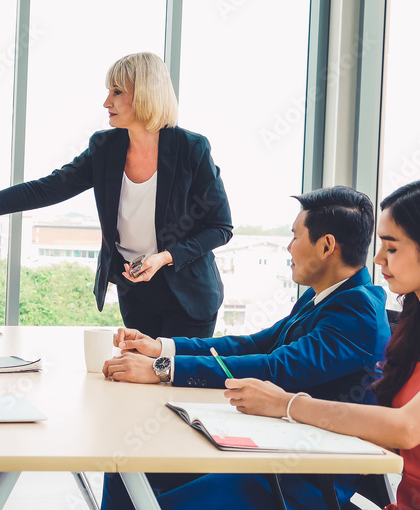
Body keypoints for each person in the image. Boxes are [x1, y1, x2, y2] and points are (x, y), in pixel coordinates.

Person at [226, 176, 420, 509]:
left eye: (391, 247)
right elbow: (390, 436)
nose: (378, 259)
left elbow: (406, 428)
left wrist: (287, 405)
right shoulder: (419, 332)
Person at [101, 186, 390, 509]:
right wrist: (162, 348)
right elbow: (254, 344)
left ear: (326, 246)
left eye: (295, 236)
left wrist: (162, 371)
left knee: (136, 477)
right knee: (123, 470)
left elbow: (275, 368)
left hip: (297, 478)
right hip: (270, 451)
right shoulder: (326, 295)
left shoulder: (358, 311)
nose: (289, 246)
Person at [0, 52, 232, 338]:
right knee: (139, 384)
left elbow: (220, 227)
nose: (106, 102)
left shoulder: (191, 149)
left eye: (117, 92)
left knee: (173, 386)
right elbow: (46, 188)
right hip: (136, 293)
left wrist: (165, 257)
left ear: (146, 95)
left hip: (188, 296)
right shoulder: (105, 148)